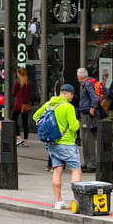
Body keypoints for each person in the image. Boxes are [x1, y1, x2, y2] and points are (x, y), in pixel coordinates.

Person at [34, 83, 82, 211]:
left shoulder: (49, 104)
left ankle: (58, 201)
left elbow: (36, 116)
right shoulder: (68, 107)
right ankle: (77, 202)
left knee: (57, 171)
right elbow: (74, 127)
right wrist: (77, 122)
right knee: (76, 170)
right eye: (72, 95)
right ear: (70, 94)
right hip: (67, 144)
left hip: (52, 143)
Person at [76, 67, 102, 170]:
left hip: (87, 115)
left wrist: (93, 107)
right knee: (86, 139)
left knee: (87, 139)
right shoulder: (91, 82)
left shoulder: (88, 84)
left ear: (79, 76)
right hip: (86, 114)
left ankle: (91, 163)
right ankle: (87, 163)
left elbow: (95, 98)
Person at [11, 66, 33, 145]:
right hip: (26, 104)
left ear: (19, 74)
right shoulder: (29, 83)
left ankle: (19, 137)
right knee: (25, 122)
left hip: (18, 104)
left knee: (13, 119)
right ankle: (26, 141)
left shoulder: (17, 83)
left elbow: (14, 93)